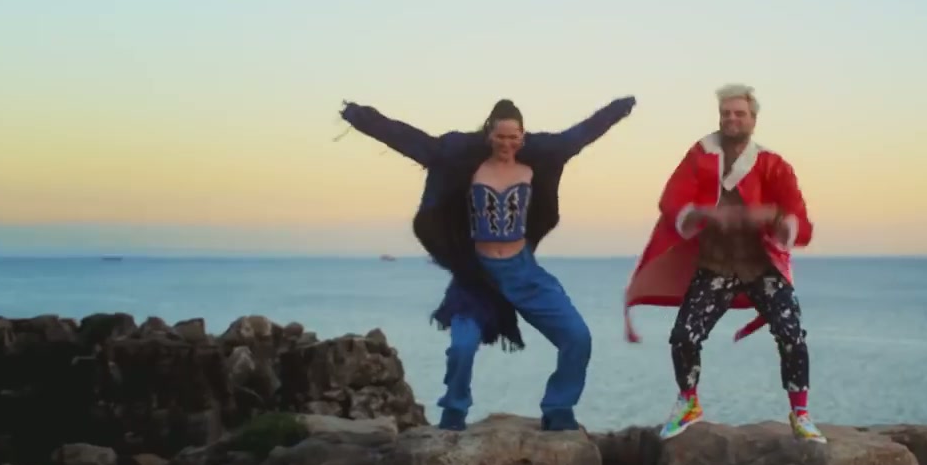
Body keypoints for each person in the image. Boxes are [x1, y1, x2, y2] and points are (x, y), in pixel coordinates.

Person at [339, 95, 635, 431]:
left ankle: (559, 407)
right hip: (477, 275)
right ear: (488, 134)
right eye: (501, 136)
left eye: (514, 137)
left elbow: (580, 134)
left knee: (578, 337)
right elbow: (411, 140)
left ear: (523, 137)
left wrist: (617, 109)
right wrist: (361, 117)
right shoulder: (465, 163)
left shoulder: (537, 163)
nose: (507, 144)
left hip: (523, 273)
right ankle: (454, 410)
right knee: (462, 347)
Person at [622, 84, 824, 442]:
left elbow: (800, 221)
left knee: (791, 334)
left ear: (753, 119)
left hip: (761, 266)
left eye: (739, 113)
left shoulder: (772, 164)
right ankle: (688, 403)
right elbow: (671, 201)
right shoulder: (700, 156)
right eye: (726, 113)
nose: (732, 119)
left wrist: (775, 218)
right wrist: (703, 213)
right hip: (716, 264)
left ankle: (801, 414)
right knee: (684, 336)